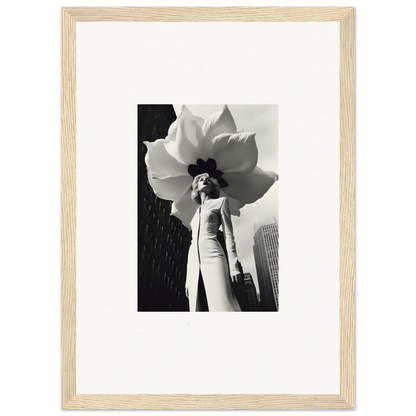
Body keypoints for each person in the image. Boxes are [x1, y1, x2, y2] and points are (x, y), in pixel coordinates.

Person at [185, 173, 242, 312]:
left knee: (223, 302)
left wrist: (233, 265)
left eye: (208, 180)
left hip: (214, 254)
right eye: (200, 180)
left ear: (212, 187)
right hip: (194, 260)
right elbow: (193, 242)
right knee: (196, 306)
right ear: (196, 188)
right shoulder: (195, 213)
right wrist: (188, 277)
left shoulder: (221, 202)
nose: (205, 180)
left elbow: (229, 234)